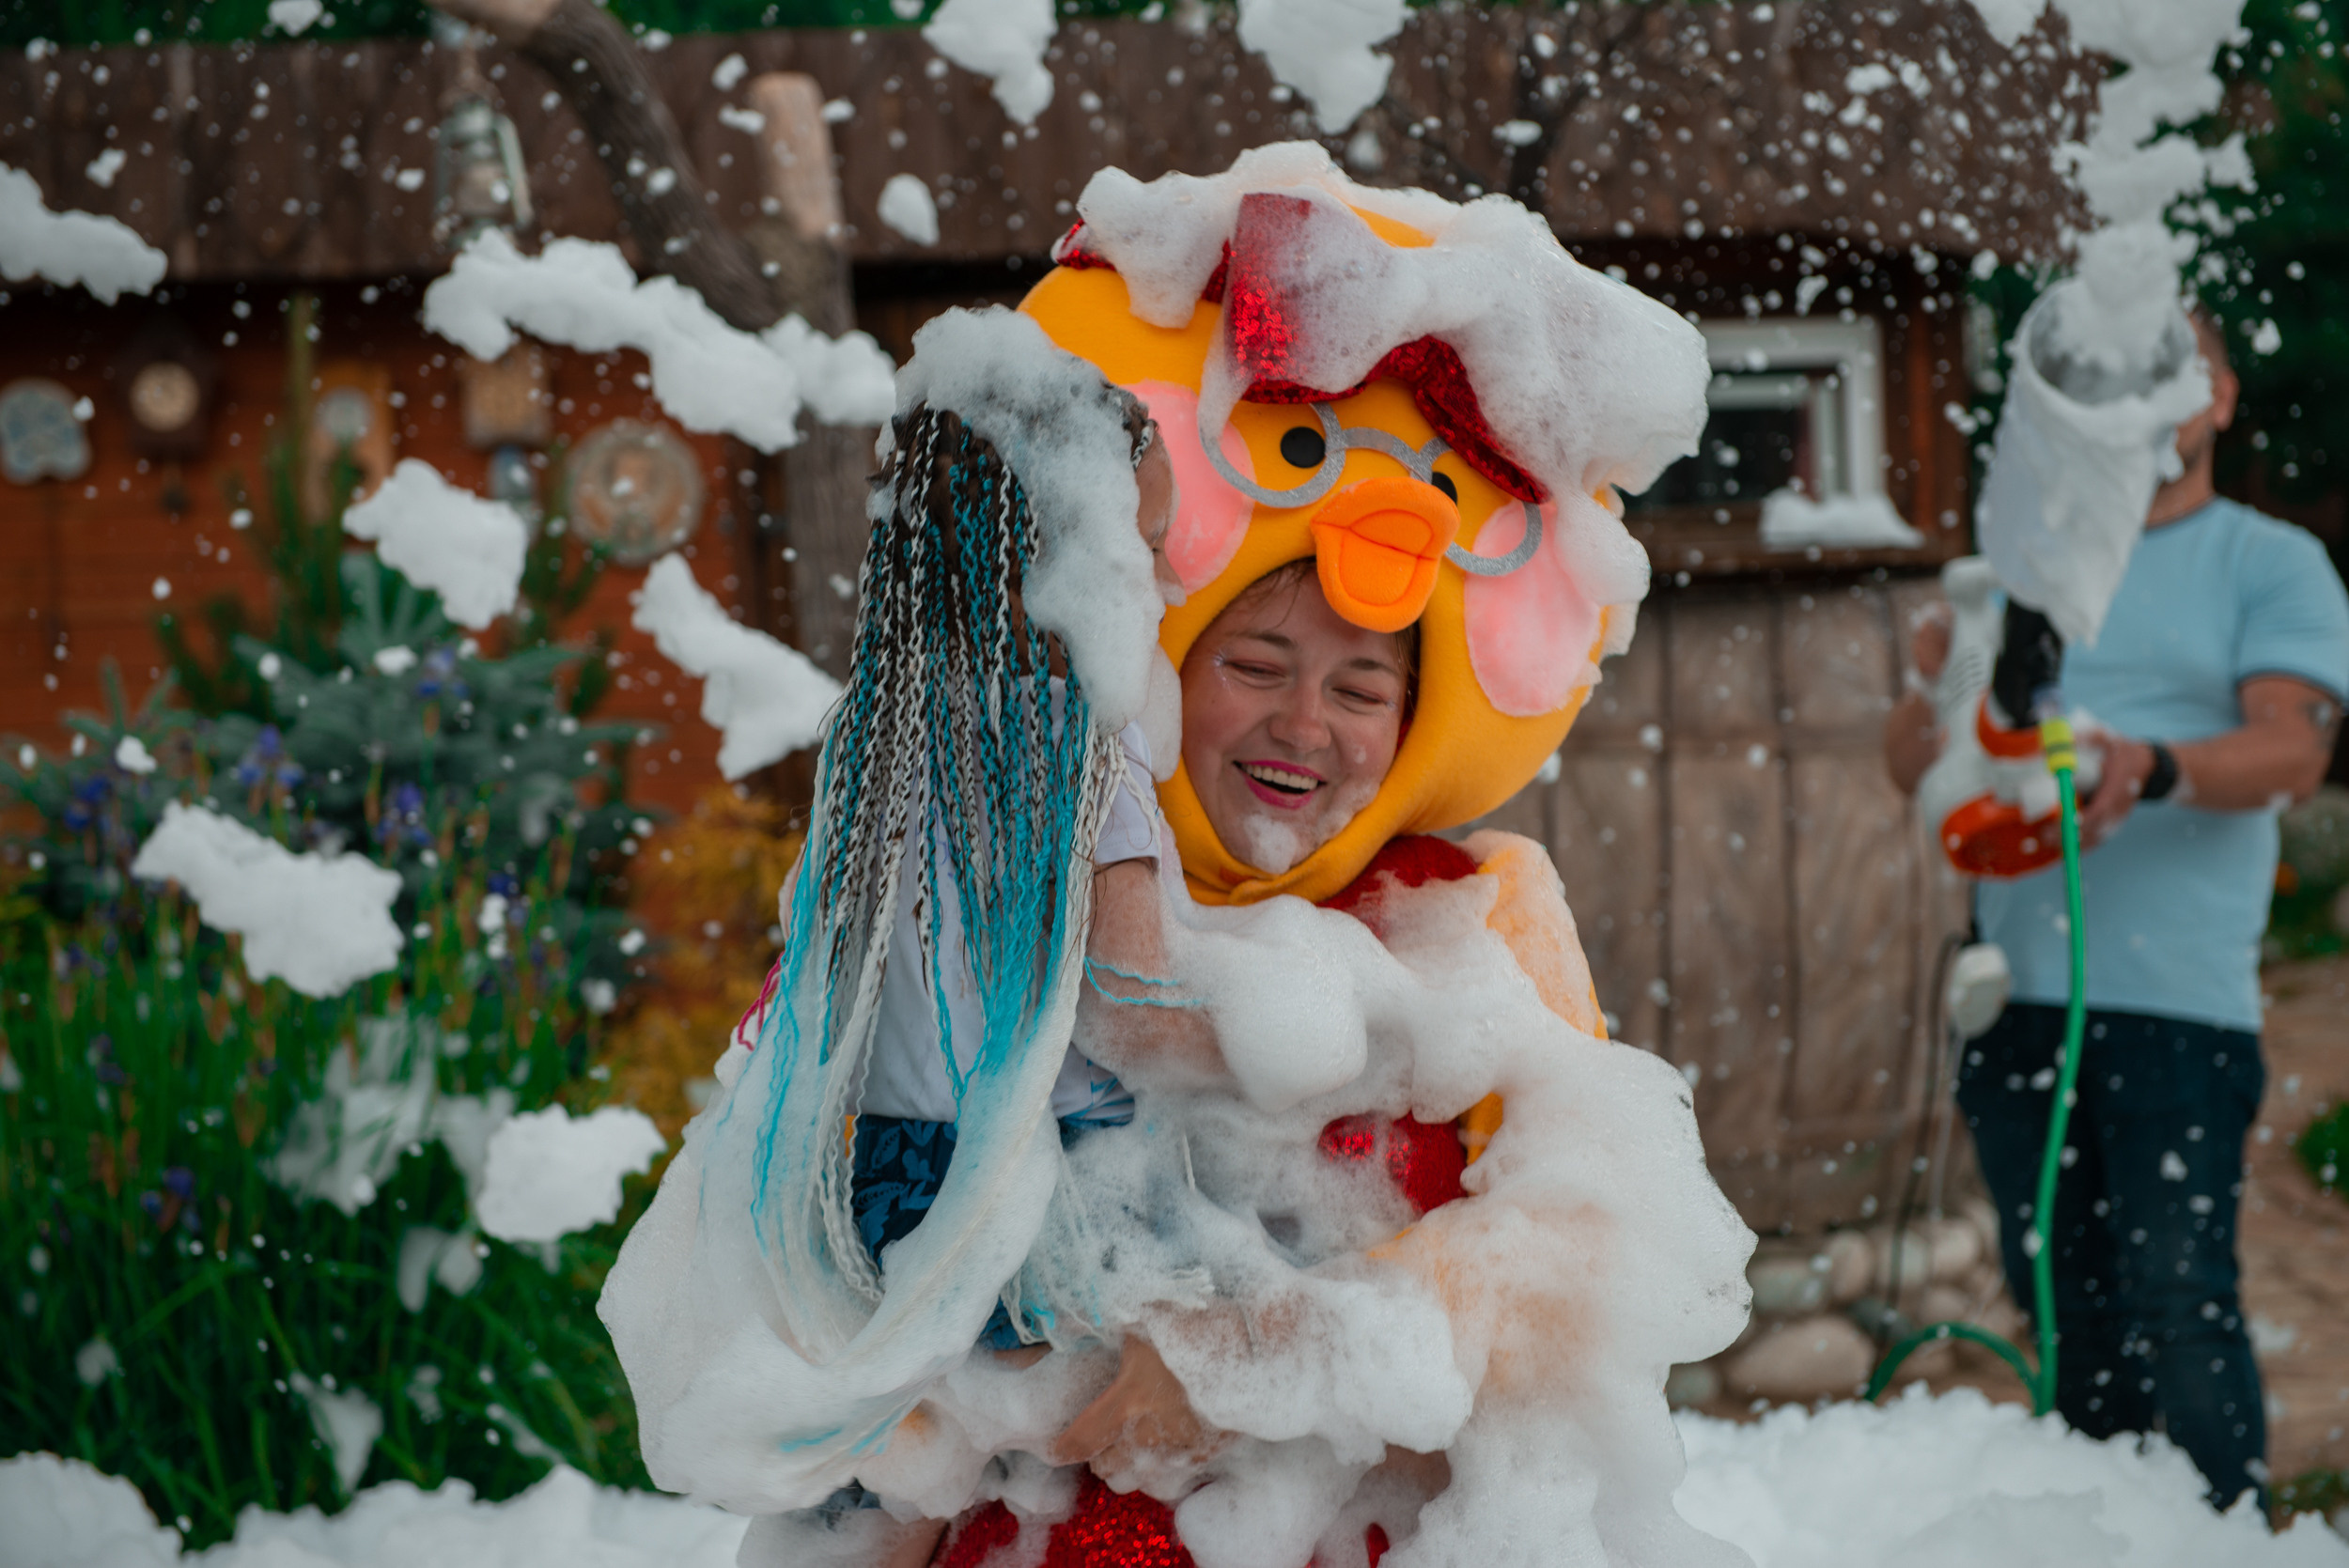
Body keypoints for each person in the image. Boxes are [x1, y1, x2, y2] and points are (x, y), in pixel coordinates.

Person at [1884, 312, 2349, 1508]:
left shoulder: (2271, 562)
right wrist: (1933, 686)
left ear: (2222, 395)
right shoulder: (2024, 574)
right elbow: (1914, 765)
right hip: (2015, 1007)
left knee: (2178, 1304)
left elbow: (2292, 752)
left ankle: (2229, 1541)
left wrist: (2148, 766)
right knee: (2071, 1317)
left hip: (2178, 1009)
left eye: (2174, 369)